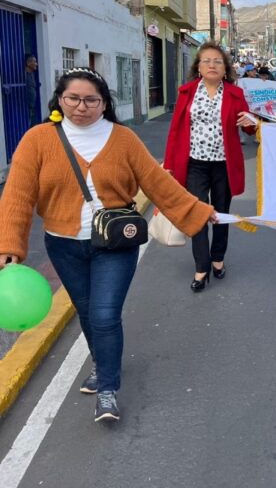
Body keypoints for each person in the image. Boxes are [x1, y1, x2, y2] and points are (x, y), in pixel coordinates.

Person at [0, 67, 216, 423]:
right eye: (73, 98)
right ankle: (102, 364)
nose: (81, 107)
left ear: (104, 104)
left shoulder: (123, 139)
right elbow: (18, 196)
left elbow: (157, 183)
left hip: (116, 243)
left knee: (104, 315)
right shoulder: (38, 139)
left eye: (91, 100)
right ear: (59, 100)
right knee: (87, 313)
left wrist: (196, 211)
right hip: (63, 245)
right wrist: (11, 246)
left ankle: (107, 391)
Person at [164, 42, 258, 292]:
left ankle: (218, 258)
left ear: (225, 68)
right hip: (194, 164)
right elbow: (175, 132)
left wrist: (251, 121)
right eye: (206, 61)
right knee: (198, 215)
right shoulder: (187, 93)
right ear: (198, 67)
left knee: (220, 215)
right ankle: (201, 266)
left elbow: (248, 127)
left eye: (217, 61)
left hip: (224, 166)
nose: (212, 65)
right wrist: (169, 165)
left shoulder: (235, 95)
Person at [25, 54, 39, 129]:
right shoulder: (24, 75)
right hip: (24, 105)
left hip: (31, 105)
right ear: (28, 63)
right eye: (34, 62)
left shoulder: (32, 74)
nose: (36, 64)